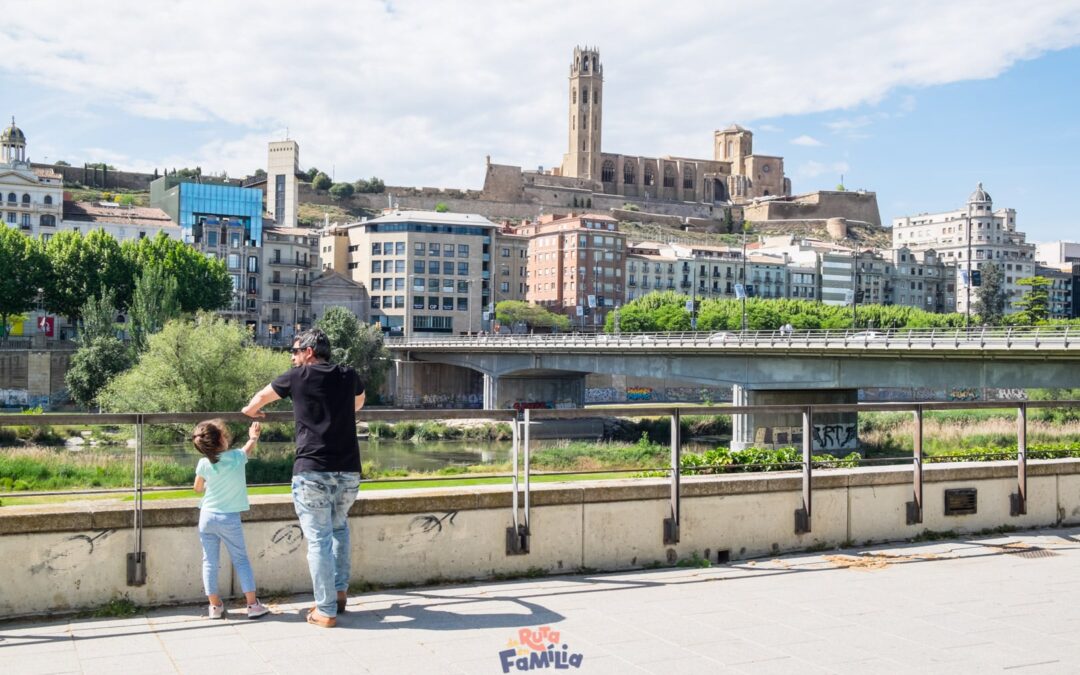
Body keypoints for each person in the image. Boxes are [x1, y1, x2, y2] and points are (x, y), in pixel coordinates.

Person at [242, 329, 366, 628]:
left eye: (295, 351)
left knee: (319, 540)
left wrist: (250, 411)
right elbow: (358, 404)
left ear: (309, 352)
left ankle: (325, 610)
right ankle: (339, 593)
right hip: (348, 470)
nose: (292, 357)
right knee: (339, 529)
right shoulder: (348, 374)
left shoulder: (296, 377)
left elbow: (260, 399)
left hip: (312, 471)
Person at [191, 418, 270, 620]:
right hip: (228, 517)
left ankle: (214, 606)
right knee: (240, 559)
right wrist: (253, 436)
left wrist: (210, 483)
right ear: (221, 440)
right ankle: (252, 605)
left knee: (209, 561)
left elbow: (197, 488)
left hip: (206, 516)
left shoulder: (203, 463)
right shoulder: (236, 457)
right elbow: (248, 448)